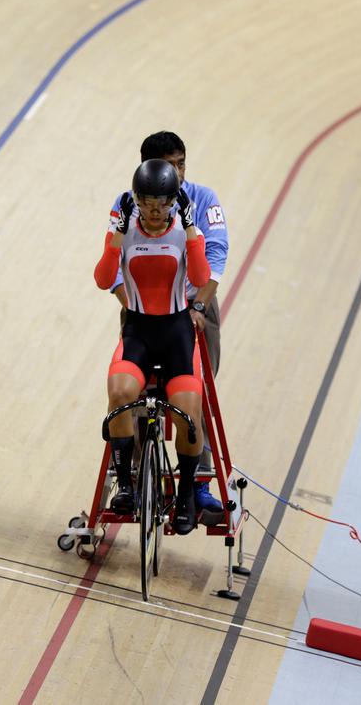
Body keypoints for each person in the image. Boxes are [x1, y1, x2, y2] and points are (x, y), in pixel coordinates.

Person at [109, 132, 229, 514]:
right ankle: (142, 478)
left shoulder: (204, 198)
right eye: (169, 164)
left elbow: (217, 253)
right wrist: (130, 304)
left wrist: (199, 306)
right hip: (144, 311)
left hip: (194, 308)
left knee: (196, 394)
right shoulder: (129, 202)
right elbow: (112, 266)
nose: (177, 171)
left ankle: (198, 485)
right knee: (136, 394)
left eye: (181, 163)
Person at [94, 159, 211, 534]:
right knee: (119, 394)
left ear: (174, 201)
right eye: (147, 202)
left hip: (177, 334)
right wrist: (114, 237)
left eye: (162, 202)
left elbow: (199, 277)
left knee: (188, 416)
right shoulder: (125, 232)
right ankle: (127, 486)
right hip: (139, 333)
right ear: (137, 200)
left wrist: (192, 232)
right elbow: (101, 279)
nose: (155, 210)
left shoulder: (184, 231)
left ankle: (187, 498)